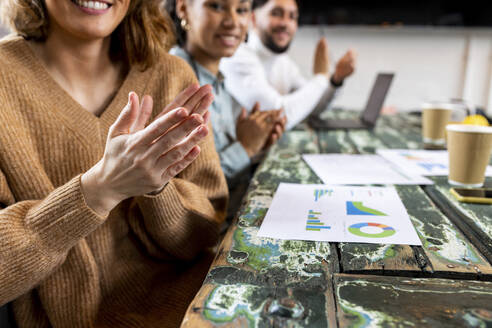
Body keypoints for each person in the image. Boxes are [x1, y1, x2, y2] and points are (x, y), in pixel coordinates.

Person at [0, 0, 228, 327]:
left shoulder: (172, 74)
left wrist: (156, 184)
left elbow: (202, 236)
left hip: (193, 314)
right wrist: (98, 190)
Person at [166, 0, 286, 217]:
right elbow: (193, 186)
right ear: (183, 8)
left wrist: (255, 146)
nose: (232, 22)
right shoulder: (176, 78)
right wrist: (245, 147)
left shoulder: (218, 80)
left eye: (241, 10)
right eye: (216, 6)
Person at [221, 0, 357, 130]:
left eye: (292, 17)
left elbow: (312, 107)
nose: (286, 23)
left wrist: (336, 80)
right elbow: (277, 117)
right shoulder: (236, 57)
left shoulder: (283, 61)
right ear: (253, 19)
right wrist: (321, 77)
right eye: (276, 13)